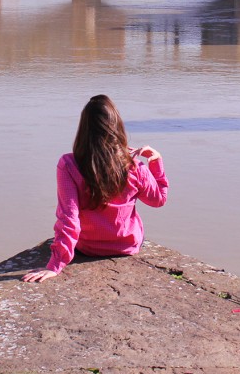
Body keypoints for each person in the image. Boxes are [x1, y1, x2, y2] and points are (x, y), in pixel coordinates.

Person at [22, 95, 168, 283]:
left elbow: (69, 217)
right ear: (117, 128)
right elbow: (158, 200)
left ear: (84, 130)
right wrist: (156, 162)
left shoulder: (69, 164)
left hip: (87, 247)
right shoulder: (134, 166)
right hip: (127, 246)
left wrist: (56, 264)